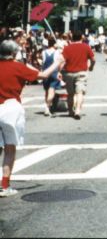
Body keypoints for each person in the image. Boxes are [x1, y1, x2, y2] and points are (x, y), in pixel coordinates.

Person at [0, 39, 61, 197]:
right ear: (14, 53)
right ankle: (4, 185)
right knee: (9, 149)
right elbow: (43, 75)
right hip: (11, 108)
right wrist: (57, 62)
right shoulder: (18, 67)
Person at [57, 31, 95, 119]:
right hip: (81, 73)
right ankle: (77, 110)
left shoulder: (67, 48)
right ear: (81, 37)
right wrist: (91, 67)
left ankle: (70, 111)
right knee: (79, 93)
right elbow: (93, 59)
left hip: (68, 73)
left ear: (72, 38)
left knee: (70, 94)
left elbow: (61, 61)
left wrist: (59, 71)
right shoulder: (86, 47)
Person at [39, 38, 63, 116]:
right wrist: (59, 71)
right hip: (54, 73)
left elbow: (42, 62)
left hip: (45, 73)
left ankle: (47, 106)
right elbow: (59, 63)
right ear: (54, 44)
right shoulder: (57, 52)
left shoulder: (43, 52)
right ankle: (47, 106)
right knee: (51, 90)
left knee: (46, 91)